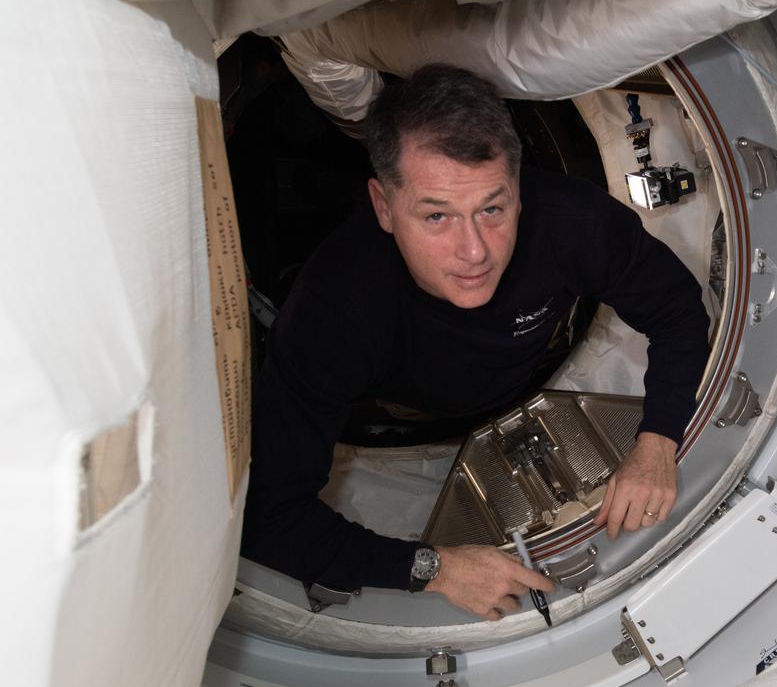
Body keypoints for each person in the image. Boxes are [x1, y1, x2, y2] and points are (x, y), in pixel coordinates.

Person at [241, 63, 710, 621]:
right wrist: (433, 569)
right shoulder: (334, 311)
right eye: (437, 216)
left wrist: (659, 438)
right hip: (402, 408)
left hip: (536, 364)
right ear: (384, 207)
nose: (474, 252)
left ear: (518, 188)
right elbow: (267, 517)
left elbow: (678, 310)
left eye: (493, 208)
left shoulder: (569, 221)